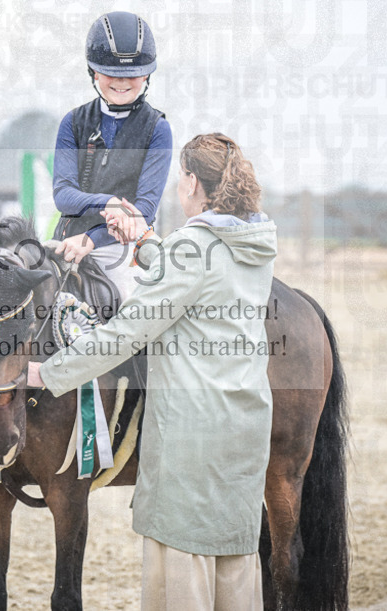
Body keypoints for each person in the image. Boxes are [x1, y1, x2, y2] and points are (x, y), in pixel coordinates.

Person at [30, 133, 277, 611]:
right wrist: (145, 244)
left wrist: (51, 373)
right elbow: (201, 278)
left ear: (190, 181)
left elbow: (126, 333)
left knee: (182, 580)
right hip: (245, 429)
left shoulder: (191, 247)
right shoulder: (250, 243)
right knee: (235, 575)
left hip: (192, 439)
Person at [52, 10, 173, 302]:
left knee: (130, 316)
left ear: (147, 74)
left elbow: (143, 211)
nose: (122, 81)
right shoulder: (73, 122)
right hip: (65, 241)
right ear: (93, 72)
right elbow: (63, 195)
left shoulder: (158, 129)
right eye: (111, 73)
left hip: (122, 248)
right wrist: (110, 203)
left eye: (132, 74)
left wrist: (92, 239)